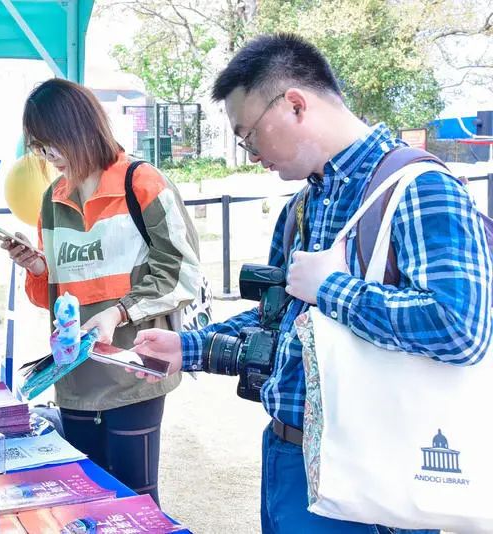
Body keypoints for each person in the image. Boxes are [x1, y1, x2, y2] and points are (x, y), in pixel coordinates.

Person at [132, 33, 491, 533]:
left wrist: (332, 289)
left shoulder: (421, 187)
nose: (251, 153)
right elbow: (281, 322)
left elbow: (461, 327)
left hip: (375, 474)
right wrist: (185, 348)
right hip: (287, 453)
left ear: (295, 104)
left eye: (249, 134)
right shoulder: (302, 206)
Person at [1, 78, 202, 504]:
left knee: (136, 501)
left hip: (132, 371)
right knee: (86, 503)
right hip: (72, 374)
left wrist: (119, 313)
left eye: (52, 142)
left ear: (82, 127)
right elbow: (51, 297)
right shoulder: (52, 200)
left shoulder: (142, 183)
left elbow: (180, 271)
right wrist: (37, 265)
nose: (48, 156)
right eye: (38, 147)